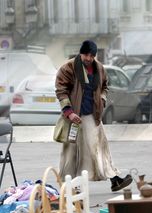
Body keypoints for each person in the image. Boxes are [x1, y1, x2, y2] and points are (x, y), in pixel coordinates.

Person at [55, 40, 132, 192]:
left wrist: (102, 100)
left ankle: (114, 180)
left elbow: (105, 87)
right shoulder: (68, 68)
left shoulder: (99, 68)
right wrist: (69, 113)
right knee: (71, 153)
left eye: (92, 55)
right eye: (86, 55)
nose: (89, 58)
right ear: (81, 53)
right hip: (73, 116)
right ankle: (68, 187)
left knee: (99, 147)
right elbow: (61, 90)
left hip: (92, 115)